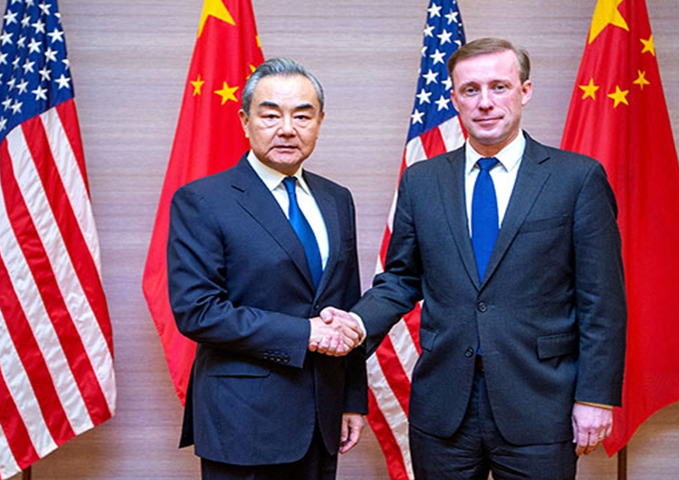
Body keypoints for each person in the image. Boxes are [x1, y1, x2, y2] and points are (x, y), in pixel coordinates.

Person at [325, 38, 627, 479]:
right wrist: (355, 324)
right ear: (453, 98)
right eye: (470, 90)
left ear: (524, 91)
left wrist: (595, 397)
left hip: (540, 401)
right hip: (445, 405)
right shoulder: (422, 180)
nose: (485, 103)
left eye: (499, 87)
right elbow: (401, 279)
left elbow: (602, 299)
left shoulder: (576, 179)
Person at [167, 57, 367, 480]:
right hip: (243, 421)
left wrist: (352, 399)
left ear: (320, 122)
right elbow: (198, 311)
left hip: (322, 416)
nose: (287, 129)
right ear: (245, 121)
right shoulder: (203, 200)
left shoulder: (337, 199)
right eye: (270, 115)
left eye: (302, 115)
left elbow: (346, 305)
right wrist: (305, 333)